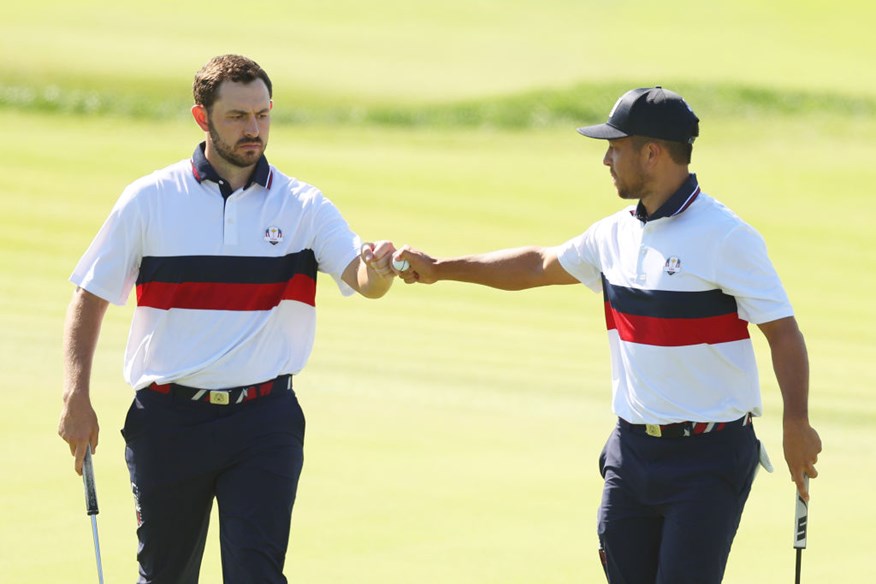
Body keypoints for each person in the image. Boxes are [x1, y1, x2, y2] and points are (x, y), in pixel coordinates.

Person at [390, 86, 822, 583]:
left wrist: (797, 422)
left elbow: (783, 333)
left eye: (615, 148)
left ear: (652, 153)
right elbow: (536, 265)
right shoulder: (612, 235)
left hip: (709, 459)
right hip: (632, 454)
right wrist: (441, 268)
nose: (605, 159)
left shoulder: (728, 238)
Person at [57, 54, 397, 583]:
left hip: (264, 421)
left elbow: (363, 279)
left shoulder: (302, 205)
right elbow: (90, 295)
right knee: (165, 576)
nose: (254, 129)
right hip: (168, 419)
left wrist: (380, 271)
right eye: (238, 116)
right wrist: (75, 395)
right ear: (203, 118)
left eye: (262, 115)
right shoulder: (150, 199)